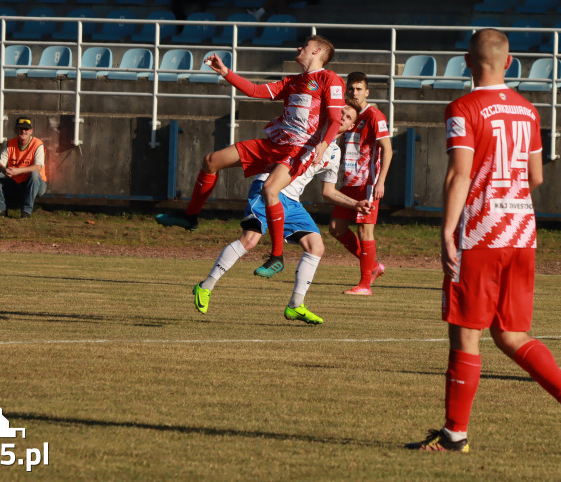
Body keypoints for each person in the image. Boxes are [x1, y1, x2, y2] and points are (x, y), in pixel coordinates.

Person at [406, 28, 561, 455]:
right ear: (509, 63)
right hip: (522, 231)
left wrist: (447, 232)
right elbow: (536, 177)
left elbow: (459, 174)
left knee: (466, 335)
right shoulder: (528, 111)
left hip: (480, 232)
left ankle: (455, 434)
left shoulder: (463, 107)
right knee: (511, 334)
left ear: (467, 63)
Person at [159, 36, 345, 277]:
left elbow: (335, 120)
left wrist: (324, 143)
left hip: (299, 150)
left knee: (269, 190)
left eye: (305, 45)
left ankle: (277, 256)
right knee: (211, 161)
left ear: (318, 50)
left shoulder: (329, 78)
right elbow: (256, 90)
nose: (299, 47)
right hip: (275, 143)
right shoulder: (293, 81)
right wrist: (226, 72)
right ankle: (190, 217)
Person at [190, 105, 369, 325]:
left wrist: (355, 203)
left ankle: (296, 305)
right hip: (269, 188)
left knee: (316, 246)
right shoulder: (313, 128)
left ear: (352, 126)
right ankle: (205, 286)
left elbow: (328, 191)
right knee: (251, 239)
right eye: (340, 111)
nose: (342, 117)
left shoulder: (334, 152)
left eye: (348, 116)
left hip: (292, 201)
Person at [328, 71, 392, 295]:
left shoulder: (374, 115)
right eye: (351, 89)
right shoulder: (347, 115)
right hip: (349, 182)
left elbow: (388, 149)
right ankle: (373, 266)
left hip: (368, 183)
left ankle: (365, 285)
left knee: (365, 231)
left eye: (358, 89)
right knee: (336, 229)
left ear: (367, 91)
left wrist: (380, 181)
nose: (354, 93)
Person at [0, 116, 47, 219]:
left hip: (37, 184)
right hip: (16, 182)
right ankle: (0, 209)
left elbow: (38, 167)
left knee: (34, 174)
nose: (23, 131)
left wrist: (17, 171)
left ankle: (26, 212)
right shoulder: (10, 143)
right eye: (20, 128)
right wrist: (4, 169)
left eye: (26, 129)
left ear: (31, 131)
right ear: (15, 130)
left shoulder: (38, 144)